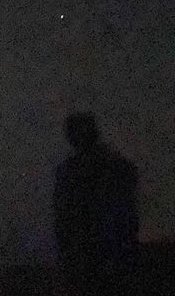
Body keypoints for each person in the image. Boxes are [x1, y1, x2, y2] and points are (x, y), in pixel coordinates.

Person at [53, 112, 139, 285]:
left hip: (95, 252)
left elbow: (63, 215)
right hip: (100, 252)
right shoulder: (116, 165)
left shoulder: (70, 171)